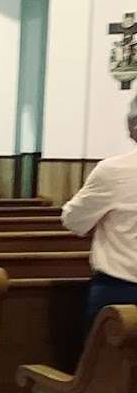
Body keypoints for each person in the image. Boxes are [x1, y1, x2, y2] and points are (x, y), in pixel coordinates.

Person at [62, 96, 137, 329]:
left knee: (108, 365)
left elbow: (74, 220)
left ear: (132, 126)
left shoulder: (114, 171)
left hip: (122, 291)